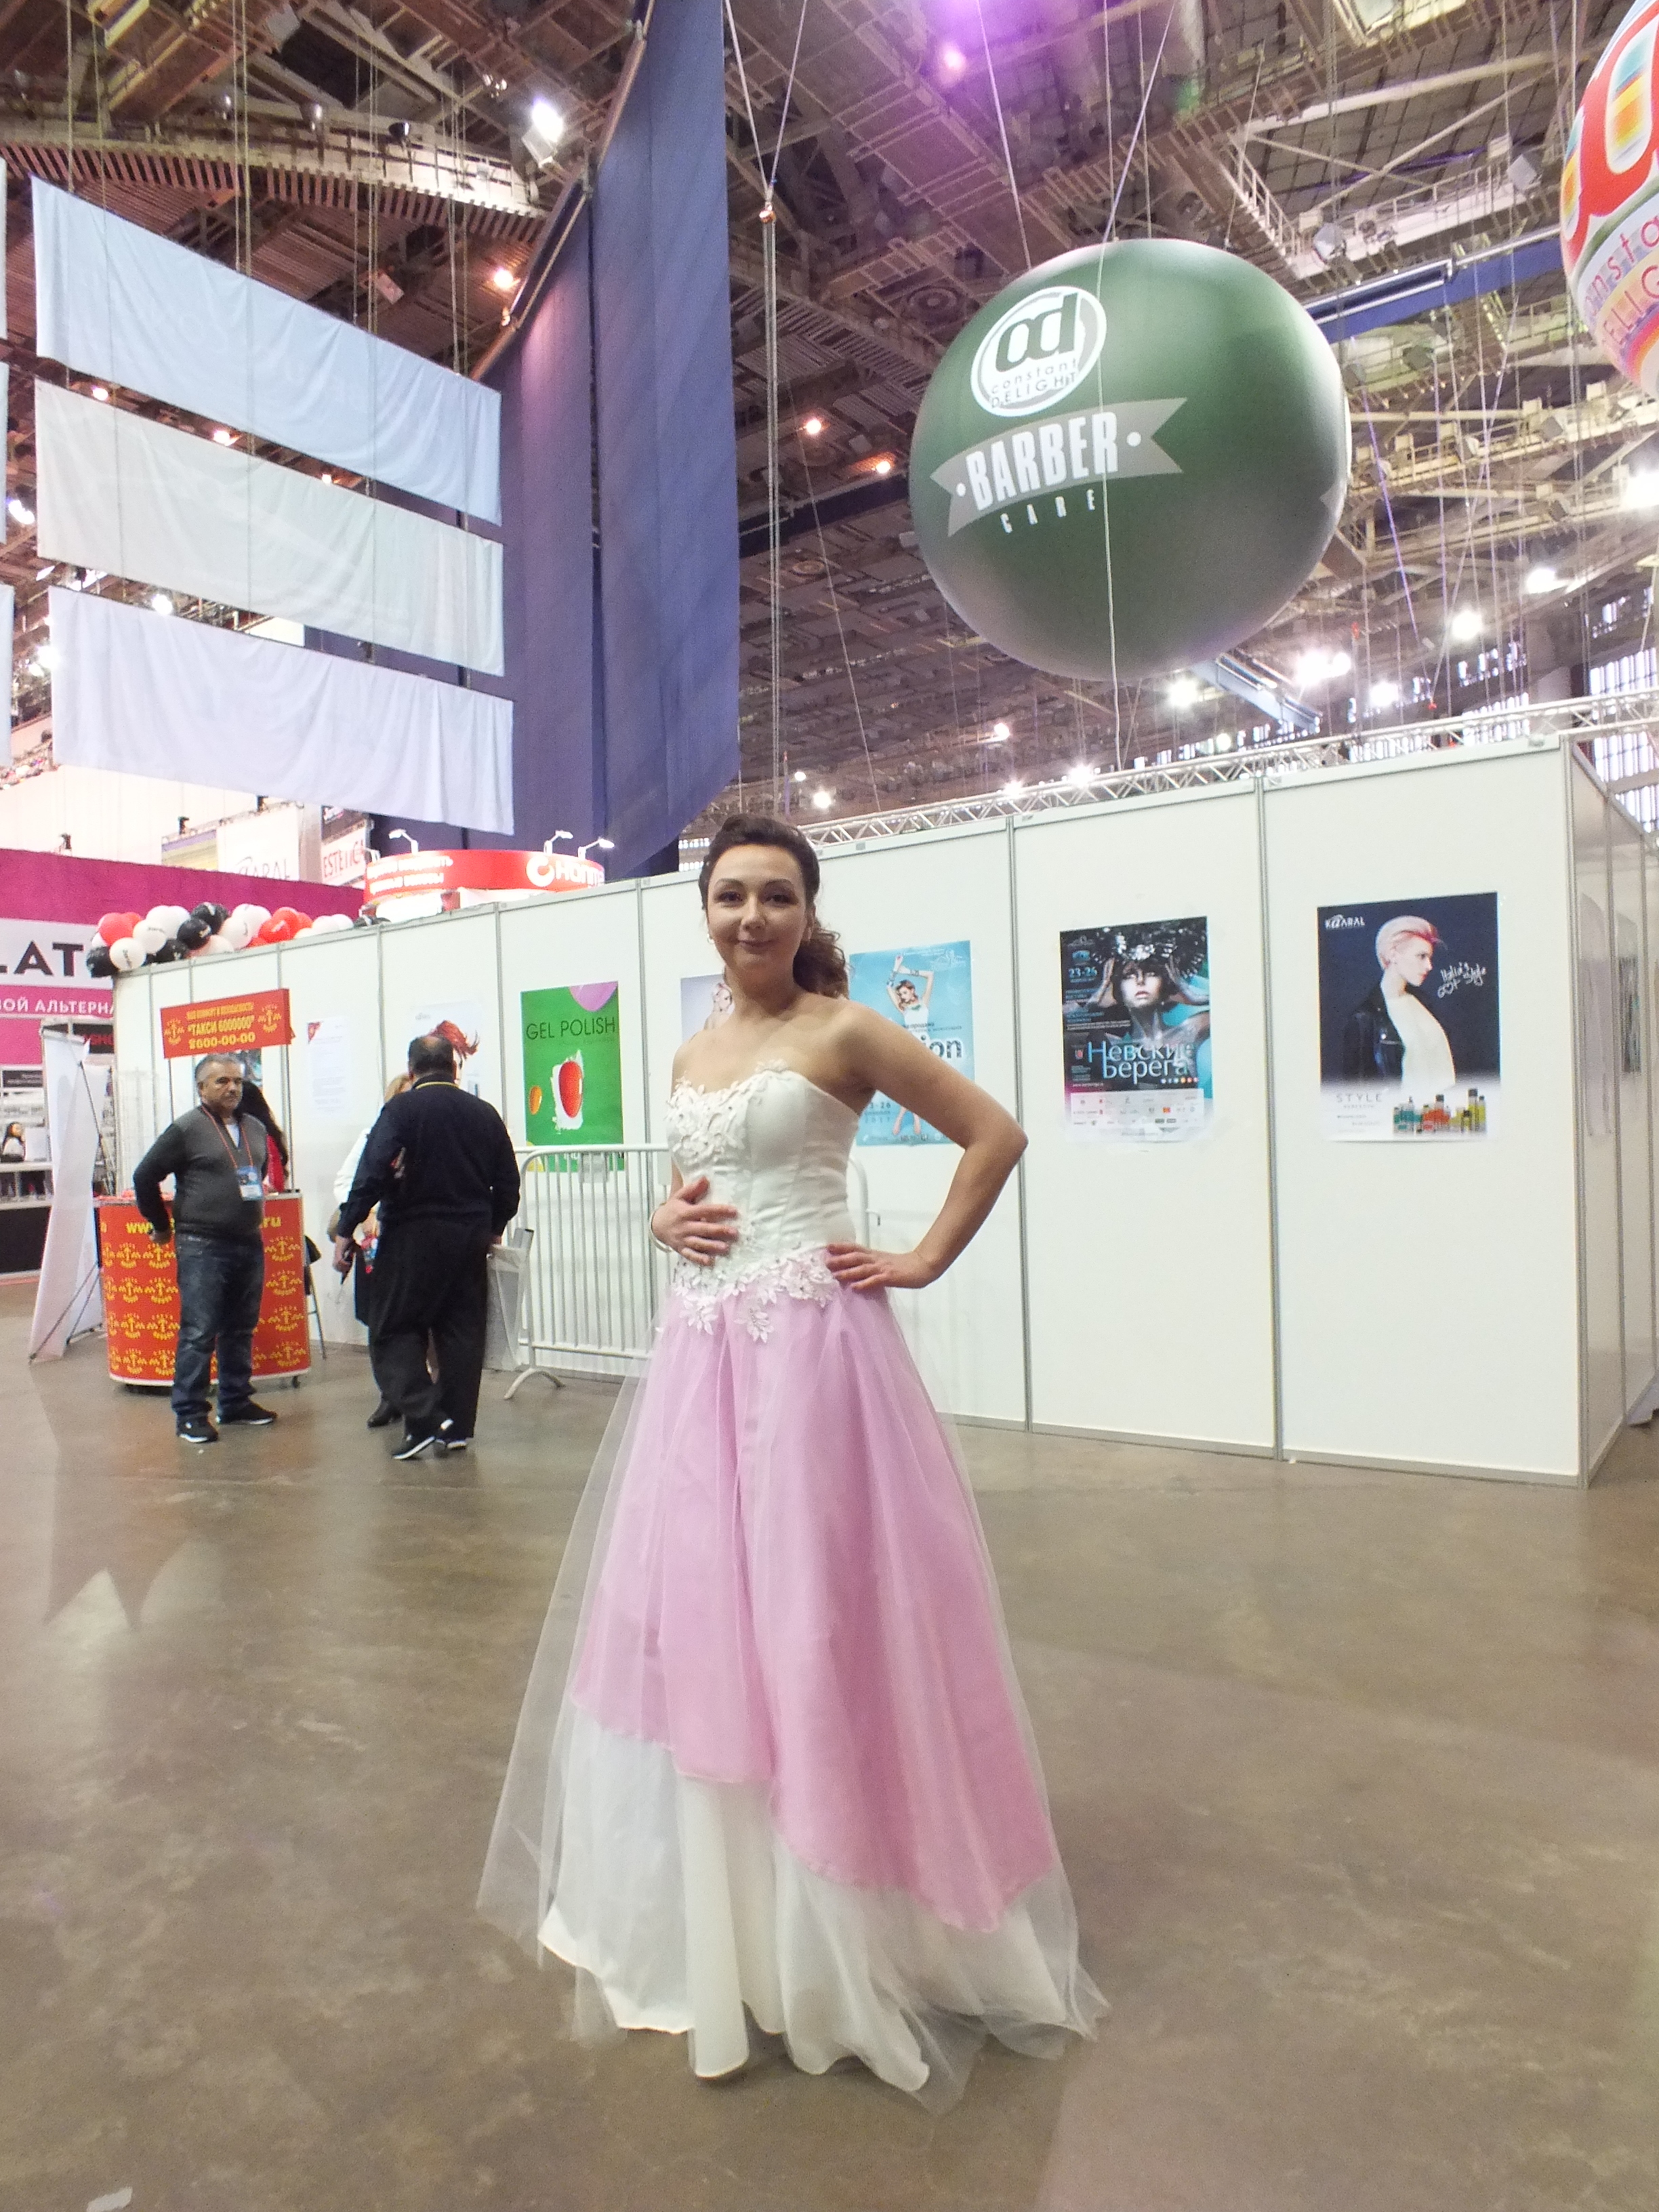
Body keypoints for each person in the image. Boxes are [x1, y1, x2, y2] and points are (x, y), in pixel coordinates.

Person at [478, 813, 1103, 2108]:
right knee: (704, 1624)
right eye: (729, 895)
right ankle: (739, 1931)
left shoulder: (844, 1029)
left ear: (807, 909)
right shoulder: (692, 1047)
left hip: (815, 1359)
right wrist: (665, 1217)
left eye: (773, 895)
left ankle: (846, 1928)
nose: (750, 916)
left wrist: (918, 1255)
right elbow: (692, 1183)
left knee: (817, 1618)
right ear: (703, 909)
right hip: (702, 1362)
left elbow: (992, 1132)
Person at [333, 1034, 520, 1461]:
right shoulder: (485, 1113)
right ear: (454, 1067)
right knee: (461, 1333)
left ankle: (425, 1418)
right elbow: (508, 1182)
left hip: (412, 1236)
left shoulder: (401, 1110)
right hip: (469, 1238)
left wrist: (346, 1229)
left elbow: (371, 1173)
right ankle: (457, 1428)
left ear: (411, 1068)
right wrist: (494, 1226)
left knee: (391, 1327)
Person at [131, 1054, 276, 1446]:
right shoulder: (186, 1129)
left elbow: (256, 1174)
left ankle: (236, 1402)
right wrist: (161, 1225)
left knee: (241, 1328)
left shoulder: (255, 1128)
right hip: (202, 1244)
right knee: (199, 1331)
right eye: (222, 1082)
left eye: (237, 1082)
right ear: (201, 1088)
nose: (232, 1088)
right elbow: (145, 1175)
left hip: (248, 1240)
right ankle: (190, 1414)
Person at [331, 1073, 413, 1429]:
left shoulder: (435, 1136)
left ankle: (422, 1393)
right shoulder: (373, 1136)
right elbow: (346, 1183)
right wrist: (363, 1214)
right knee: (379, 1320)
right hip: (376, 1242)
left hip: (417, 1241)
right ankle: (390, 1394)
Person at [1340, 914, 1455, 1095]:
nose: (1429, 966)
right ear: (1393, 954)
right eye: (1421, 956)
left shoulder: (1424, 1002)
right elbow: (1358, 1090)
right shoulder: (1364, 1019)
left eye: (1429, 957)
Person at [1086, 927, 1211, 1088]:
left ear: (1165, 981)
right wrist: (1098, 996)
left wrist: (1193, 996)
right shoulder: (1108, 1044)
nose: (1140, 981)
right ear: (1118, 987)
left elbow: (1236, 1009)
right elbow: (1061, 1027)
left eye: (1151, 973)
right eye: (1130, 975)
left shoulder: (1190, 1031)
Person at [885, 956, 935, 1138]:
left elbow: (930, 975)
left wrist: (908, 971)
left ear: (912, 991)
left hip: (925, 1047)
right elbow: (888, 987)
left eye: (905, 993)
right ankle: (914, 1118)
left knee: (918, 1086)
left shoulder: (924, 1003)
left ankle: (905, 1118)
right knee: (910, 1085)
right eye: (901, 995)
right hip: (911, 1048)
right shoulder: (903, 1009)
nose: (902, 997)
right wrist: (896, 968)